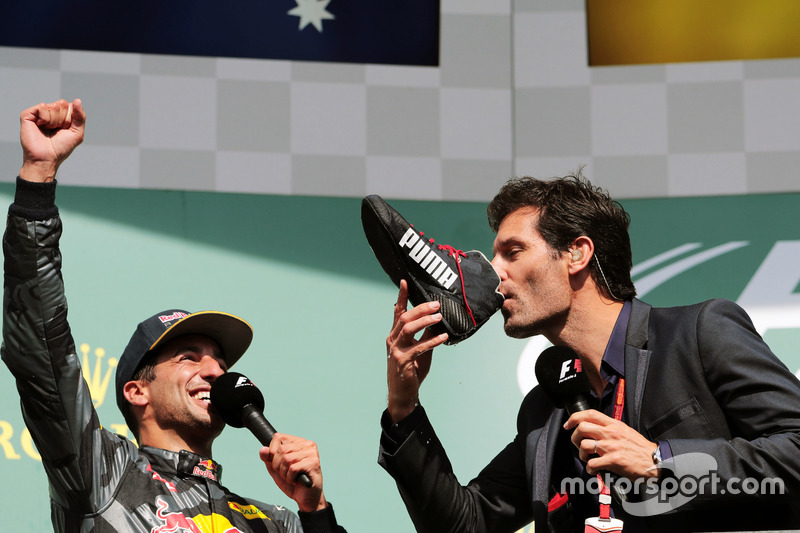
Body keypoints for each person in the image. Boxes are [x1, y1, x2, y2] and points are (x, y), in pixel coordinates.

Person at [379, 174, 800, 532]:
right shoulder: (544, 410)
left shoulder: (698, 333)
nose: (495, 273)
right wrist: (404, 405)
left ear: (577, 253)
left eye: (512, 252)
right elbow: (464, 523)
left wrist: (661, 460)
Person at [2, 98, 346, 532]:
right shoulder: (104, 476)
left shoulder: (275, 522)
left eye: (221, 362)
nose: (215, 371)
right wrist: (37, 178)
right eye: (189, 356)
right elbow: (40, 349)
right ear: (136, 392)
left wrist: (315, 511)